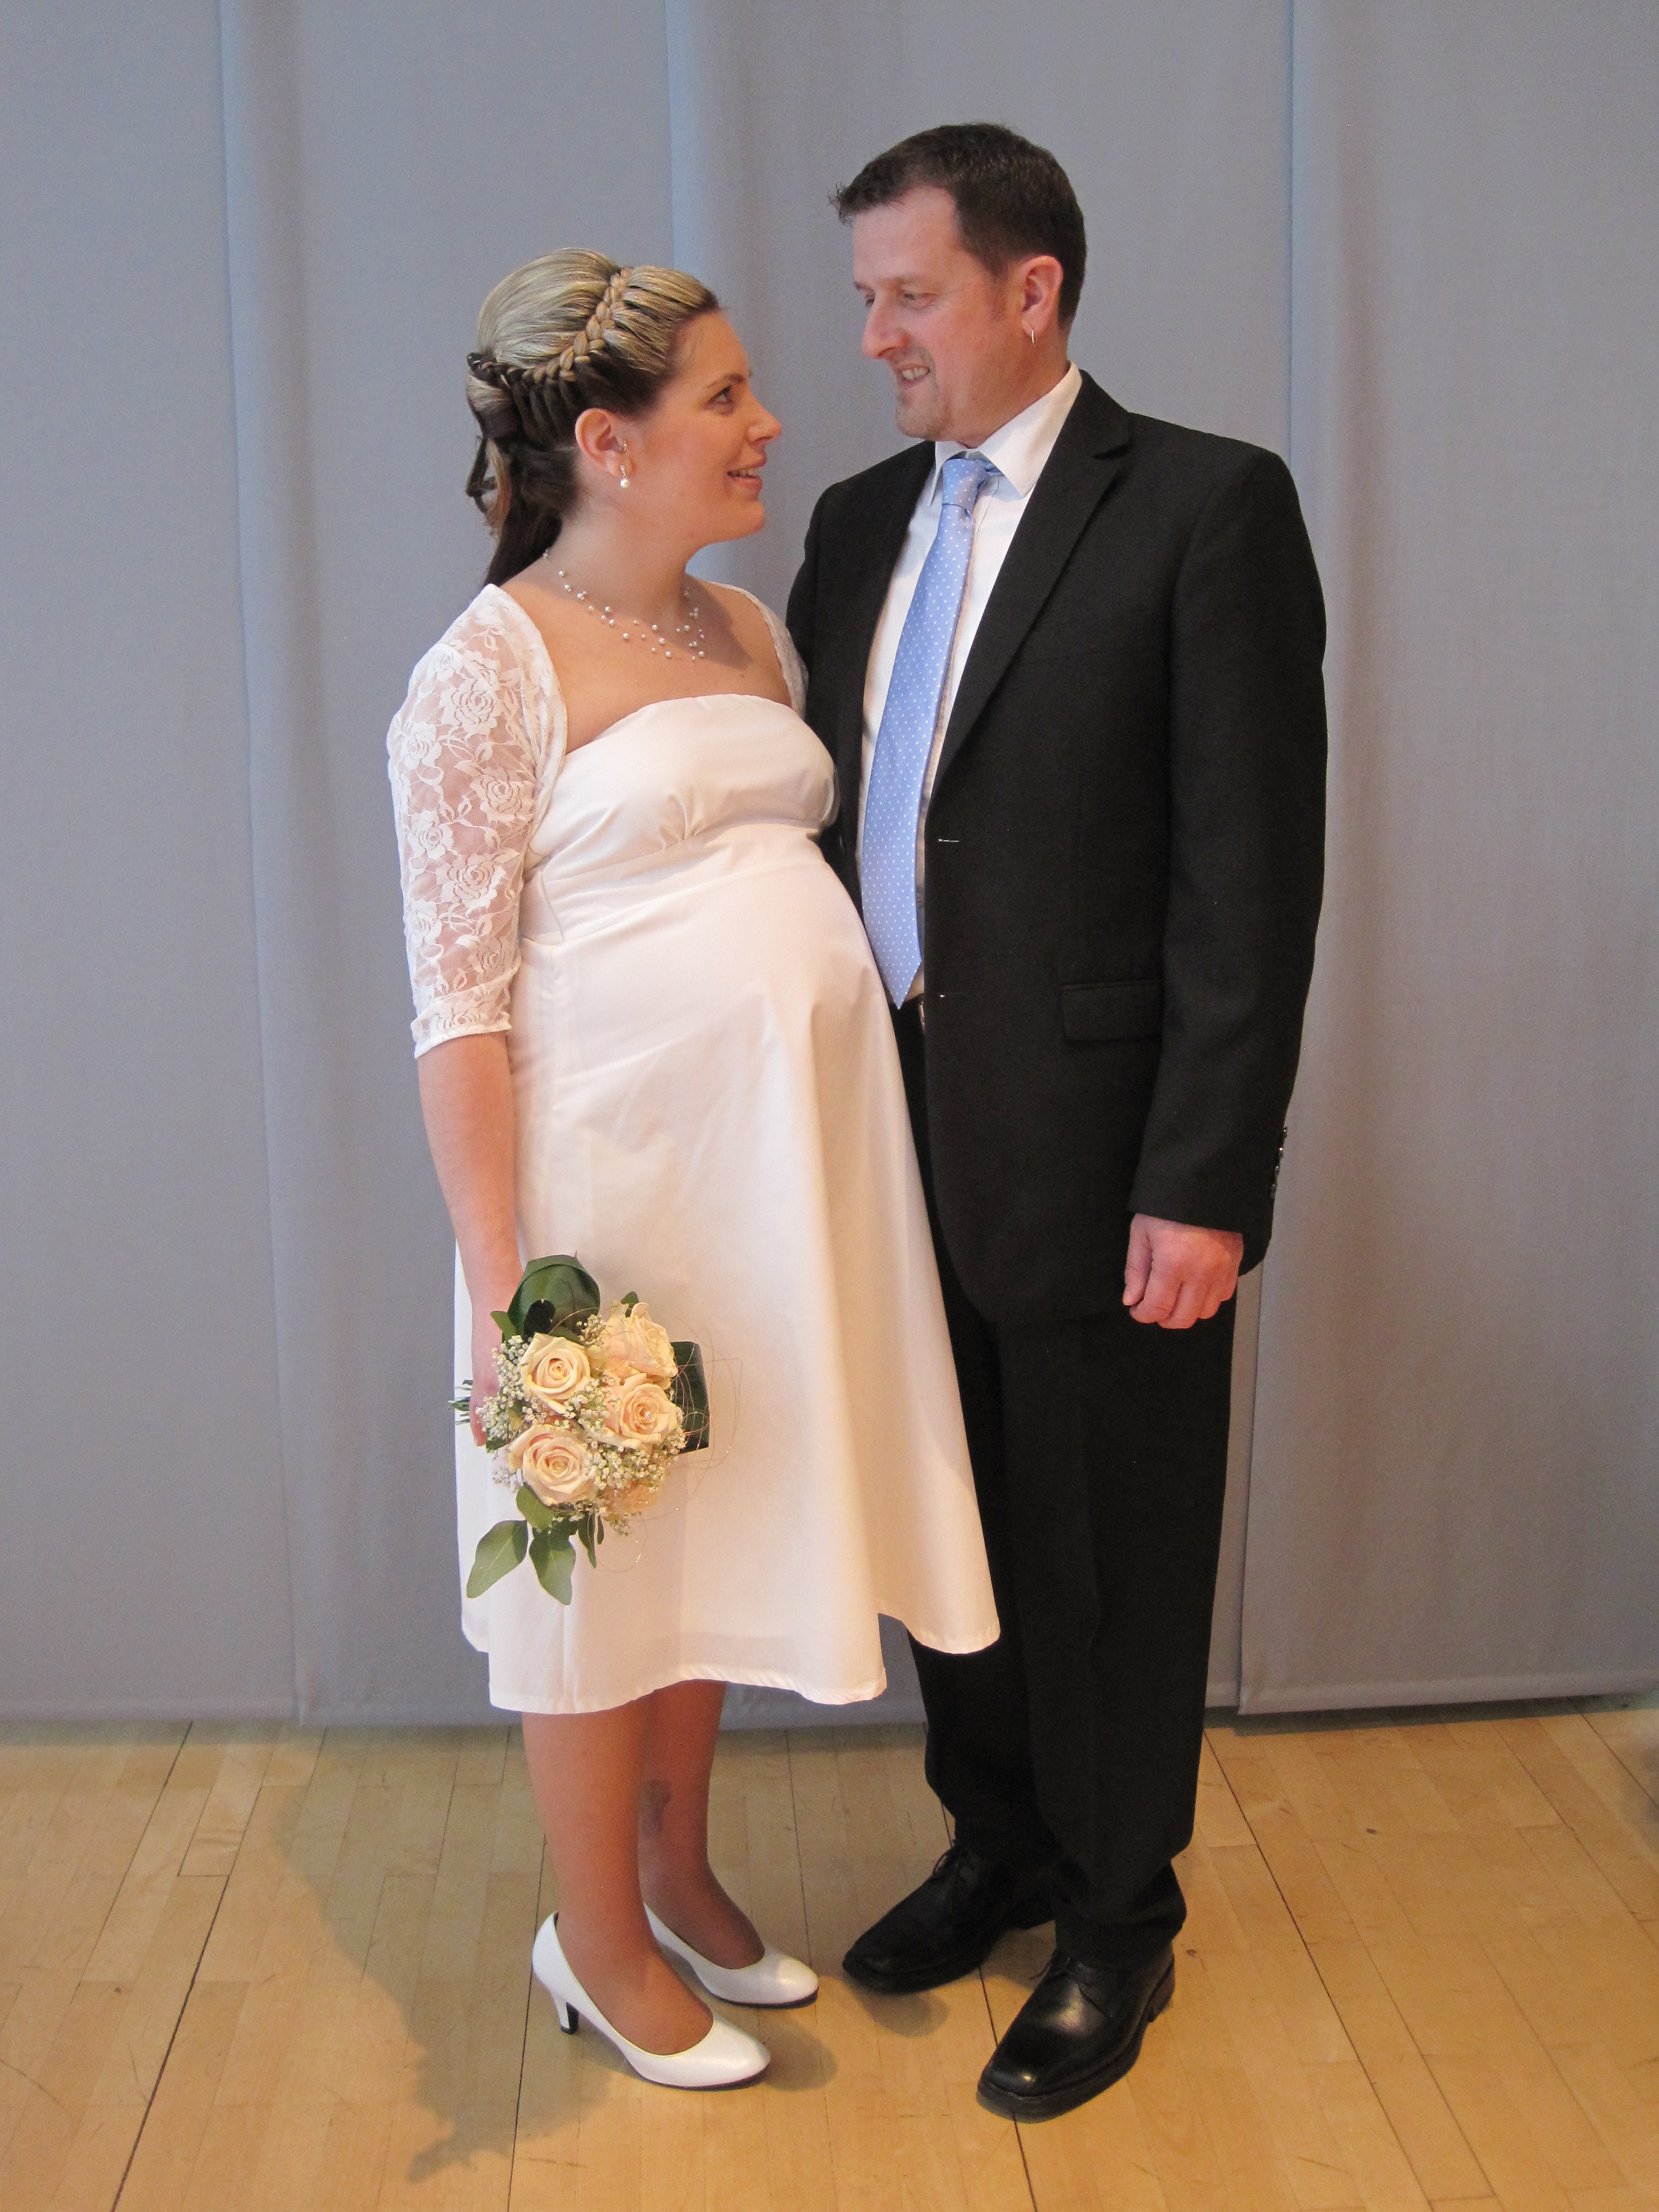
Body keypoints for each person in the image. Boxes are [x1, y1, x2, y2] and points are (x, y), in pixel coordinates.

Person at [387, 251, 998, 2093]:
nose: (768, 422)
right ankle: (590, 1942)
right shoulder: (484, 672)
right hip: (602, 1199)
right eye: (725, 397)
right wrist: (501, 1279)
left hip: (766, 1193)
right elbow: (456, 1010)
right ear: (608, 442)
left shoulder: (747, 633)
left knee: (704, 1539)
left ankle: (676, 1874)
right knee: (600, 1573)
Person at [786, 125, 1327, 2120]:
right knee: (954, 1511)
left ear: (1034, 291)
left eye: (910, 295)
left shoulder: (1202, 507)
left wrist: (1207, 1177)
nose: (876, 336)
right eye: (866, 297)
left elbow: (1249, 882)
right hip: (889, 1126)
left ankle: (1116, 1913)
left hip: (1109, 1150)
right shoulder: (857, 520)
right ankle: (999, 1839)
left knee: (1108, 1543)